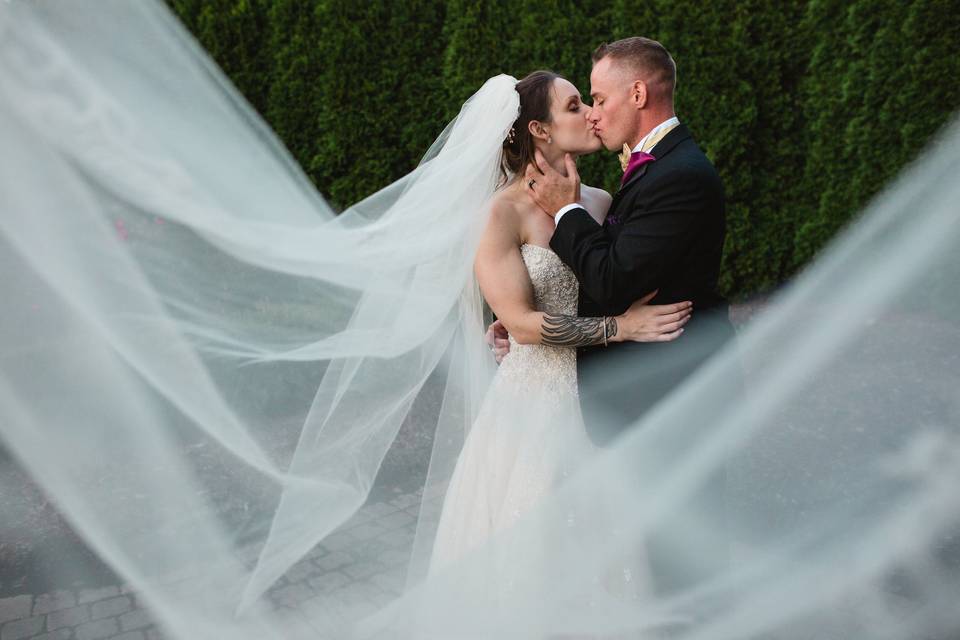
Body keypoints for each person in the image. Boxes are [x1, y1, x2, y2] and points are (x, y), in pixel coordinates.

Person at [427, 69, 692, 602]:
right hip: (534, 406)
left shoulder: (599, 201)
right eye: (575, 106)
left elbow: (609, 279)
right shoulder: (499, 214)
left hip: (604, 400)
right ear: (540, 131)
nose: (591, 114)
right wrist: (618, 328)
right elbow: (524, 323)